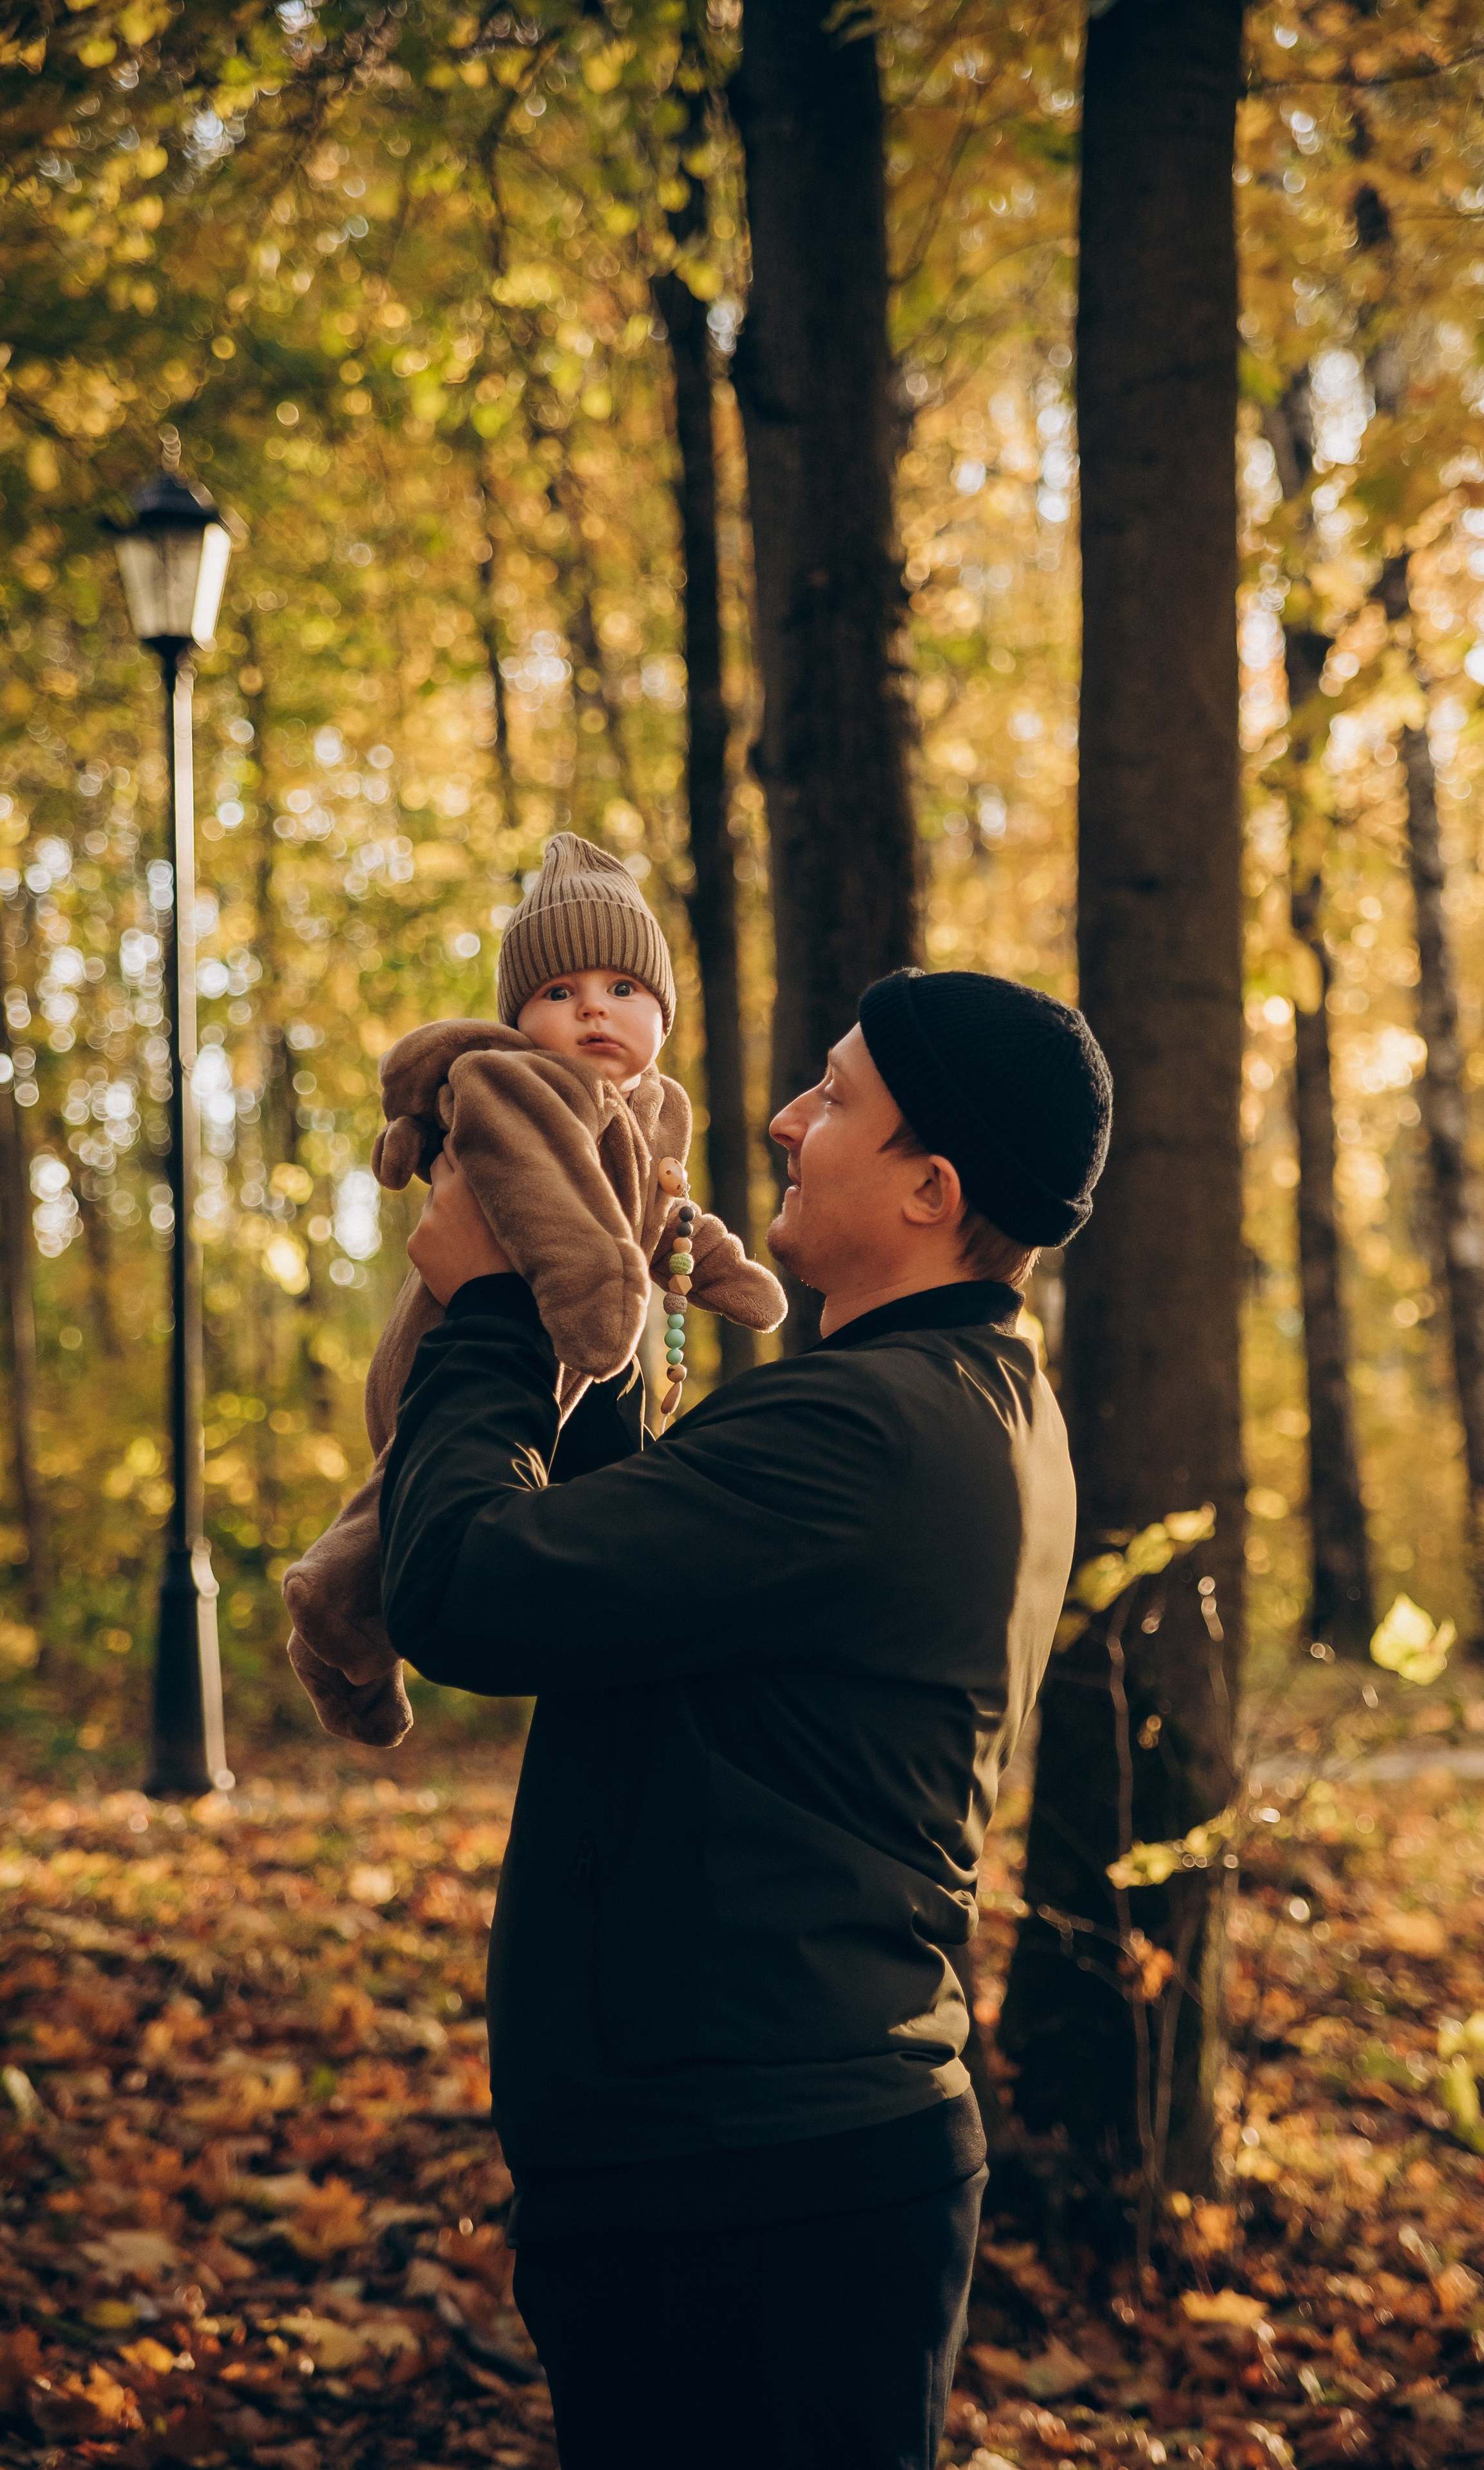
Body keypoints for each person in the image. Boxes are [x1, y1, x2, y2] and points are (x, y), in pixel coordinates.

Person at [381, 965, 1113, 2470]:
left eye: (833, 1095)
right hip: (767, 2168)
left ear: (928, 1187)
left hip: (752, 2197)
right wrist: (595, 1300)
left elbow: (466, 1588)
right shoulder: (954, 1399)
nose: (786, 1117)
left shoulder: (866, 1430)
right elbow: (624, 1581)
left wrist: (496, 1310)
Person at [283, 831, 782, 1745]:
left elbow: (659, 1212)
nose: (595, 1011)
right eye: (561, 993)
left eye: (622, 989)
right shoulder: (514, 1083)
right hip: (471, 1336)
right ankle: (333, 1619)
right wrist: (595, 1296)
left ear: (663, 1015)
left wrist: (711, 1263)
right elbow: (547, 1199)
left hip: (569, 1356)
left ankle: (343, 1635)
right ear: (523, 1018)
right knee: (424, 1500)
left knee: (431, 1513)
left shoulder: (658, 1105)